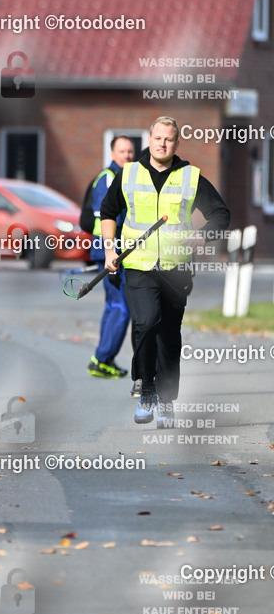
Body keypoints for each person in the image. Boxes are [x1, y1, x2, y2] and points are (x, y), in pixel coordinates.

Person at [100, 116, 230, 427]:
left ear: (176, 143)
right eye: (158, 138)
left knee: (169, 334)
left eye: (168, 139)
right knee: (145, 323)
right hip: (139, 265)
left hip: (176, 268)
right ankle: (146, 390)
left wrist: (200, 238)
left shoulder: (190, 177)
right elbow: (108, 211)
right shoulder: (129, 174)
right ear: (150, 140)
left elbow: (220, 214)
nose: (162, 143)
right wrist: (109, 250)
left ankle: (167, 401)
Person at [85, 136, 135, 382]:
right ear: (112, 153)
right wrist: (111, 250)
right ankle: (102, 359)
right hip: (110, 251)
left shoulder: (124, 176)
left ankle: (103, 359)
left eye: (130, 151)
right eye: (122, 151)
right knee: (121, 307)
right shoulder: (108, 177)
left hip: (112, 250)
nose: (127, 155)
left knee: (114, 305)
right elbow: (106, 215)